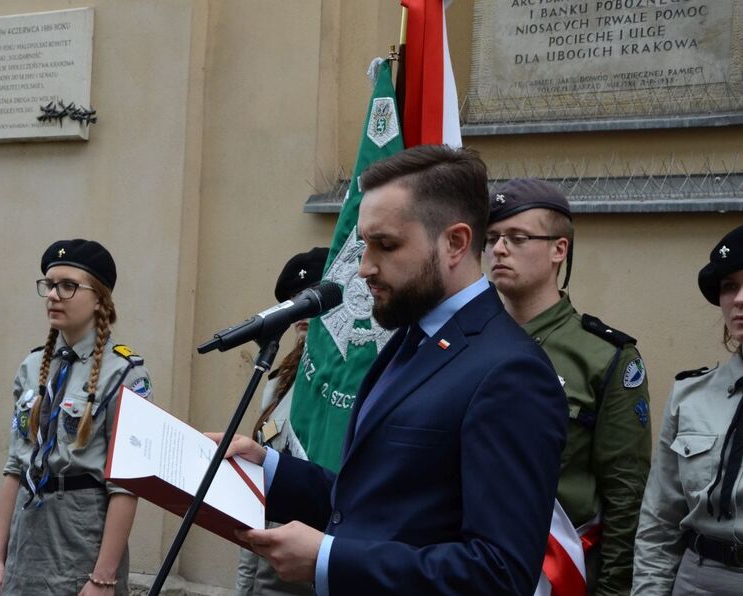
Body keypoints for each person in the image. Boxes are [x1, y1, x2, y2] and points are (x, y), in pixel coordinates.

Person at [214, 145, 567, 595]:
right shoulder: (408, 338)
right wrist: (267, 470)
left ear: (455, 242)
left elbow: (499, 572)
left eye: (387, 245)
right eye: (365, 245)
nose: (363, 269)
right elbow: (376, 503)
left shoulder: (510, 372)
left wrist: (329, 559)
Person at [485, 178, 651, 595]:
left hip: (556, 571)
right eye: (492, 238)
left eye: (517, 237)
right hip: (469, 564)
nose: (499, 249)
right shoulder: (468, 341)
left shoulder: (602, 357)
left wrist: (612, 591)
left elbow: (624, 494)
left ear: (559, 249)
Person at [0, 239, 150, 596]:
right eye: (49, 284)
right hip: (28, 535)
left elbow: (126, 484)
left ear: (100, 298)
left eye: (68, 286)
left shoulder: (125, 375)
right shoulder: (32, 367)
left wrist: (102, 578)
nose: (53, 295)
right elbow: (15, 467)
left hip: (81, 535)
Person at [632, 224, 743, 595]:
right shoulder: (690, 396)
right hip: (698, 580)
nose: (739, 299)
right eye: (729, 287)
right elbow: (660, 521)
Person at [235, 247, 328, 596]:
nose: (300, 309)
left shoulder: (350, 388)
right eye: (293, 300)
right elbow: (256, 493)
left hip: (312, 558)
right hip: (268, 562)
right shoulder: (276, 382)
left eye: (312, 296)